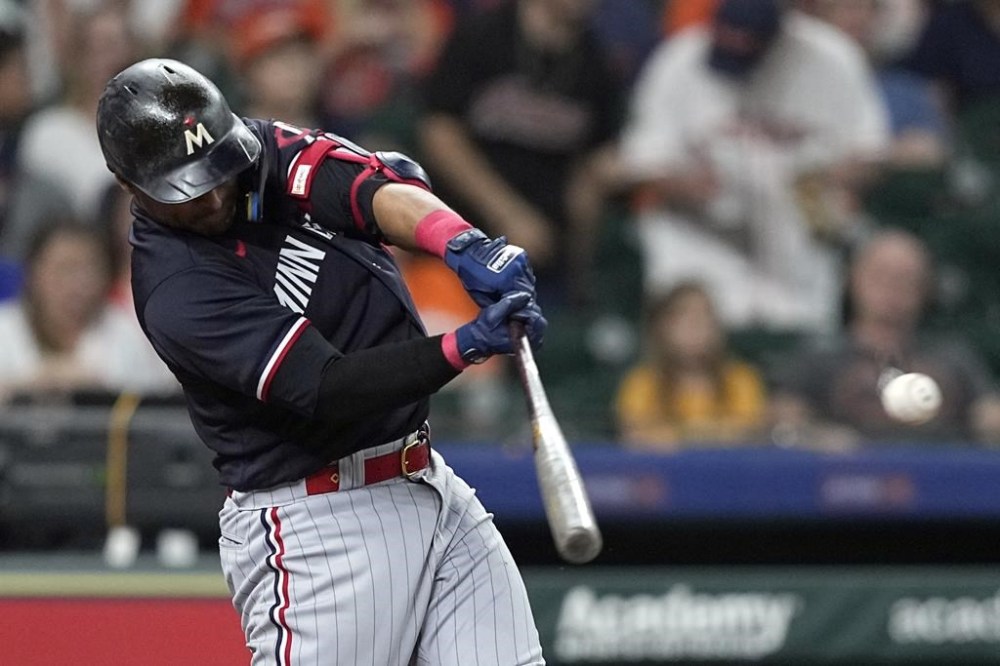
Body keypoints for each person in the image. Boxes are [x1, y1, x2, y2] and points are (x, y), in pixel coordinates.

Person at [96, 58, 546, 664]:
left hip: (425, 482)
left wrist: (462, 243)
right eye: (187, 187)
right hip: (318, 526)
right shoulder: (178, 288)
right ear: (129, 185)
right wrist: (463, 345)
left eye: (216, 171)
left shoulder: (249, 150)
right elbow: (329, 387)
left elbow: (369, 188)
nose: (212, 194)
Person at [619, 0, 890, 335]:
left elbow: (870, 153)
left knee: (802, 337)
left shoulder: (832, 59)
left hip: (799, 238)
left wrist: (830, 178)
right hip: (704, 239)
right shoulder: (681, 59)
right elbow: (638, 161)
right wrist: (682, 183)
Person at [417, 0, 625, 306]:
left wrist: (579, 267)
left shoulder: (598, 62)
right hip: (455, 247)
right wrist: (507, 212)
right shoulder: (483, 35)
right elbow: (439, 135)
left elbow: (591, 171)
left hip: (540, 261)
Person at [770, 229, 1000, 449]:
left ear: (926, 289)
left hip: (940, 477)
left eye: (906, 278)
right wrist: (817, 438)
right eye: (881, 275)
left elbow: (989, 415)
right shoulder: (818, 358)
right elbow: (783, 424)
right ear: (853, 278)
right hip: (848, 477)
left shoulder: (953, 358)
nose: (892, 288)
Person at [0, 219, 178, 403]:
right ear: (33, 274)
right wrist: (34, 384)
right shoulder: (4, 328)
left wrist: (95, 387)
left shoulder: (122, 329)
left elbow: (152, 401)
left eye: (90, 270)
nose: (78, 285)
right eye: (65, 269)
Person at [615, 281, 768, 450]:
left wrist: (676, 436)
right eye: (684, 317)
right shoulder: (642, 382)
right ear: (663, 327)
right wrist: (709, 435)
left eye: (705, 316)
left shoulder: (741, 379)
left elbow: (748, 435)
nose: (696, 326)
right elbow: (636, 437)